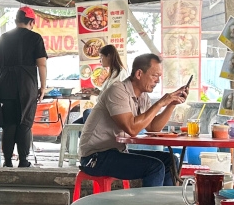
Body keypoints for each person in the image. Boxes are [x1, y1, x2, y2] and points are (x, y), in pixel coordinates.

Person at [77, 53, 186, 186]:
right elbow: (132, 128)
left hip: (117, 151)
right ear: (139, 74)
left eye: (159, 77)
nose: (157, 81)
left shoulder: (143, 96)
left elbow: (153, 127)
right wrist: (160, 103)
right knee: (154, 167)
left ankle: (164, 204)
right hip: (95, 157)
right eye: (154, 75)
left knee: (170, 160)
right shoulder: (117, 90)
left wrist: (171, 104)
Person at [0, 6, 48, 167]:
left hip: (7, 83)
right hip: (27, 84)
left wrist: (5, 72)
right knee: (25, 121)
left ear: (16, 21)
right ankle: (23, 160)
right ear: (30, 22)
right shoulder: (35, 38)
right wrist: (43, 87)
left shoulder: (4, 37)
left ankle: (7, 160)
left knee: (9, 122)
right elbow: (41, 64)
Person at [77, 45, 124, 122]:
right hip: (104, 110)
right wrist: (95, 91)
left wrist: (99, 93)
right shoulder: (112, 73)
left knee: (87, 113)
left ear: (109, 56)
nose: (100, 60)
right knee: (76, 123)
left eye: (101, 57)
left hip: (110, 113)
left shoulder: (120, 74)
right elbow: (107, 92)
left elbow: (114, 95)